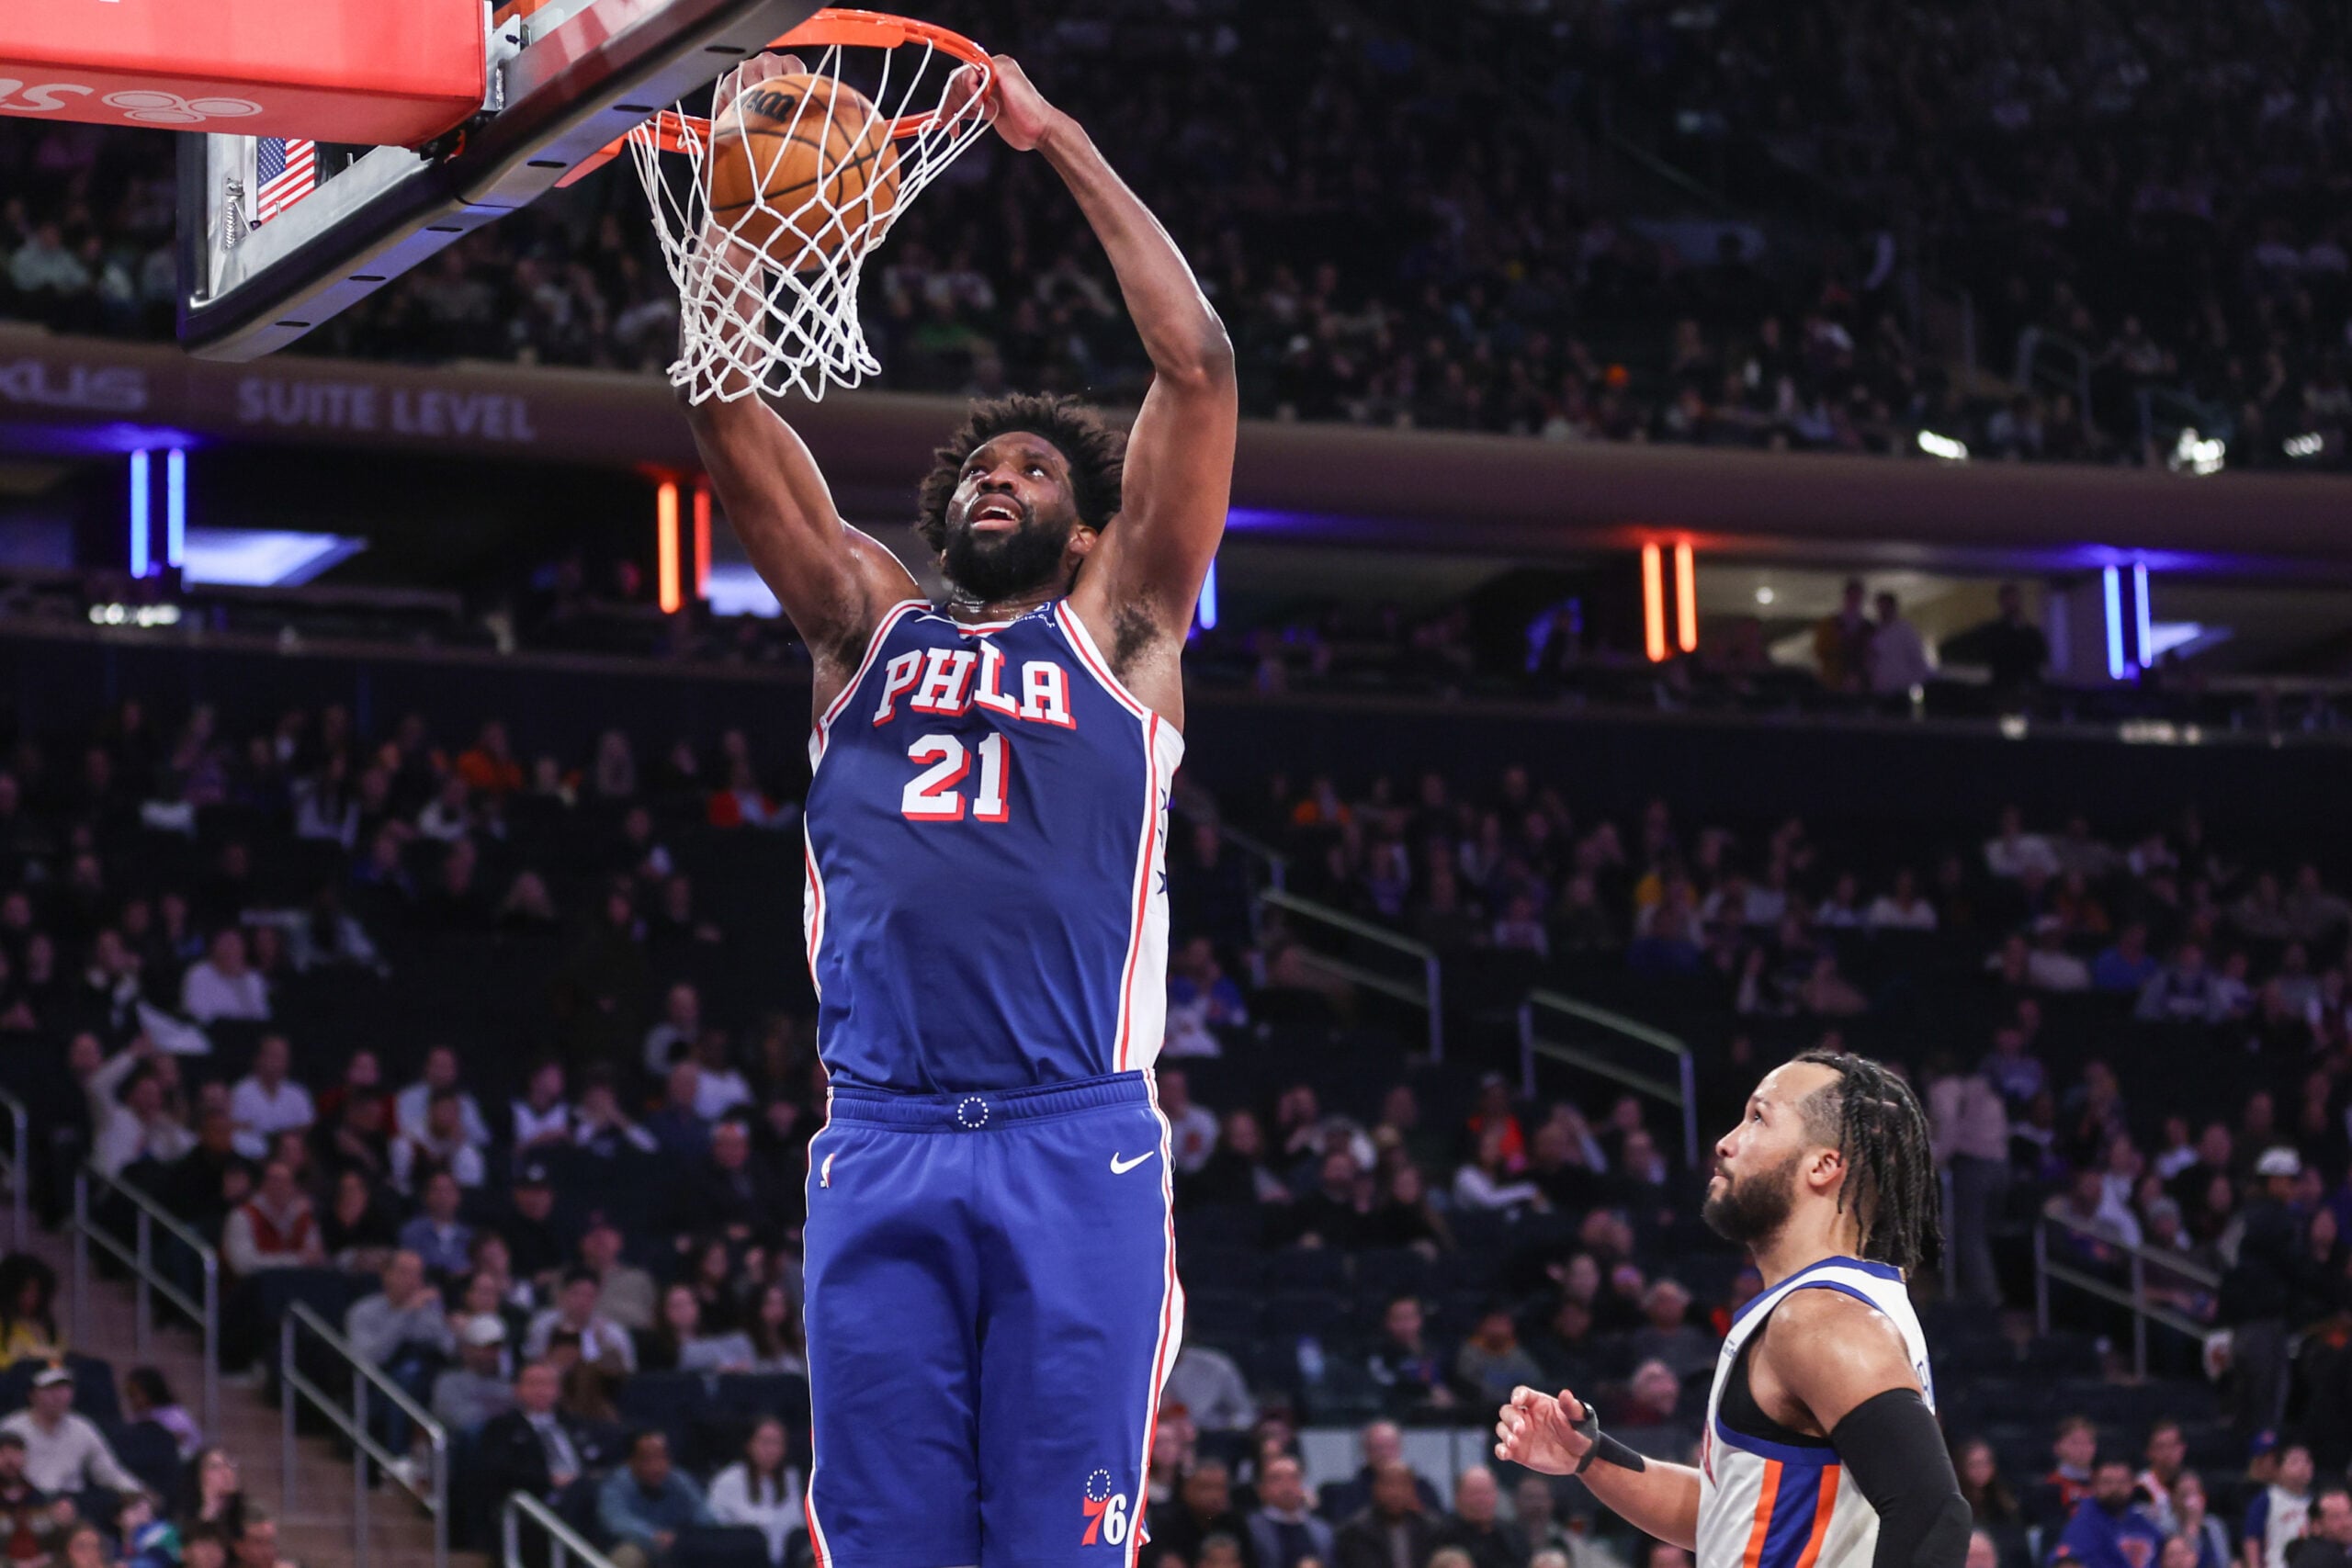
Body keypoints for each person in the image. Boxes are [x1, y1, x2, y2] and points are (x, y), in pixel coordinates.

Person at [684, 37, 1237, 1566]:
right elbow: (731, 420)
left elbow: (1196, 364)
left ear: (1085, 528)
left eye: (1034, 469)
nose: (1000, 475)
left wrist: (1055, 137)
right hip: (884, 1135)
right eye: (981, 465)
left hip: (1080, 1143)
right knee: (884, 1545)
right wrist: (727, 229)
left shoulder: (1123, 633)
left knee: (1057, 1547)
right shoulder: (865, 625)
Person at [1495, 1051, 1967, 1568]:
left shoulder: (1820, 1318)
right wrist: (1590, 1456)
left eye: (1759, 1117)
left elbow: (1934, 1514)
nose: (1726, 1141)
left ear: (1824, 1164)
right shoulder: (1825, 1308)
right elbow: (1726, 1516)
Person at [0, 1366, 142, 1499]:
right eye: (50, 1389)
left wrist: (139, 1492)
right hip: (27, 1504)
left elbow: (108, 1473)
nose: (58, 1396)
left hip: (71, 1504)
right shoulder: (12, 1427)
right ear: (32, 1395)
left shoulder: (82, 1428)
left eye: (64, 1389)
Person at [478, 1363, 597, 1517]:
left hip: (584, 1493)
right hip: (536, 1502)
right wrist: (549, 1479)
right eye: (533, 1384)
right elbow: (499, 1472)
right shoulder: (502, 1428)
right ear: (517, 1389)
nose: (541, 1390)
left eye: (548, 1384)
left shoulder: (577, 1425)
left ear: (559, 1390)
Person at [597, 1430, 710, 1568]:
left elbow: (704, 1516)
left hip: (679, 1546)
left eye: (661, 1457)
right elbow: (618, 1521)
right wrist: (654, 1536)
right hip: (637, 1544)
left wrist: (692, 1539)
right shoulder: (617, 1483)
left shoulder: (680, 1480)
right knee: (628, 1557)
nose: (656, 1467)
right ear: (631, 1461)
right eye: (647, 1459)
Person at [707, 1417, 803, 1567]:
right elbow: (718, 1528)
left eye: (777, 1443)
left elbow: (796, 1523)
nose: (771, 1449)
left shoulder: (791, 1477)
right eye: (765, 1442)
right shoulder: (728, 1480)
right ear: (749, 1444)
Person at [2050, 1456, 2165, 1568]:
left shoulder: (2142, 1523)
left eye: (2122, 1482)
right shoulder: (2082, 1525)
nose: (2115, 1488)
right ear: (2094, 1484)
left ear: (2132, 1484)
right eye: (2107, 1482)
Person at [1332, 1460, 1439, 1568]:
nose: (1395, 1493)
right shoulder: (1355, 1532)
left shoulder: (1432, 1529)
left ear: (1413, 1490)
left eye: (1402, 1485)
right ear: (1375, 1488)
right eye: (1389, 1485)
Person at [1432, 1465, 1531, 1568]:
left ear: (1496, 1495)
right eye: (1474, 1494)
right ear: (1458, 1497)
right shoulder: (1441, 1536)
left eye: (1486, 1493)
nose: (1481, 1500)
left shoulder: (1512, 1536)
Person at [430, 1316, 516, 1434]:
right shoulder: (449, 1381)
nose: (491, 1355)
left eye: (495, 1349)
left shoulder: (506, 1384)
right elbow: (457, 1420)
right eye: (486, 1349)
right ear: (467, 1349)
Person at [1245, 1455, 1332, 1568]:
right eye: (1276, 1478)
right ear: (1261, 1489)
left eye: (1294, 1477)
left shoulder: (1323, 1531)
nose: (1287, 1485)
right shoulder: (1250, 1529)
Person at [2243, 1442, 2313, 1568]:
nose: (2303, 1467)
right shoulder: (2267, 1499)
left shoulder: (2317, 1501)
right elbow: (2252, 1538)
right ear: (2280, 1469)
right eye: (2294, 1462)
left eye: (2307, 1462)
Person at [2285, 1491, 2352, 1568]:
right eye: (2336, 1517)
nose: (2347, 1523)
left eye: (2349, 1513)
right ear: (2316, 1526)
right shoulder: (2326, 1560)